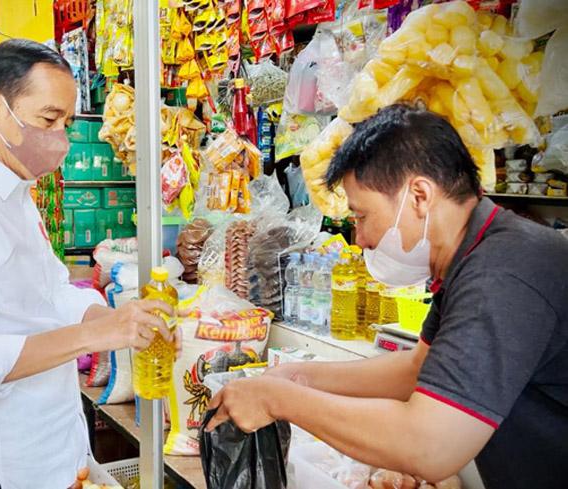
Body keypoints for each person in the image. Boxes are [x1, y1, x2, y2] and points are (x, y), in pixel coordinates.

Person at [207, 104, 568, 488]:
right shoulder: (474, 252)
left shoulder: (502, 273)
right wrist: (301, 377)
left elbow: (430, 446)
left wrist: (278, 400)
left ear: (420, 196)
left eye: (362, 217)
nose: (360, 239)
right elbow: (417, 369)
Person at [0, 39, 178, 489]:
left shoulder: (16, 194)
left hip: (56, 446)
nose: (62, 139)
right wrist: (95, 334)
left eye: (67, 123)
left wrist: (117, 321)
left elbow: (53, 293)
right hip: (8, 463)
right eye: (48, 120)